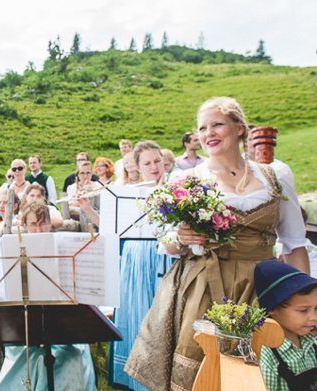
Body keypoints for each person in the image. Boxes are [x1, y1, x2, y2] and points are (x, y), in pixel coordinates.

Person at [125, 97, 310, 391]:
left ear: (239, 127)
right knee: (205, 369)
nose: (207, 133)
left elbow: (293, 244)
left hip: (262, 284)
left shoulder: (275, 175)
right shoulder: (189, 179)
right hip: (206, 286)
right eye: (202, 128)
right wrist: (182, 238)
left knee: (264, 369)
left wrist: (305, 300)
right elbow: (168, 243)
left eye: (217, 125)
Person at [0, 201, 97, 390]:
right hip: (26, 326)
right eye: (33, 224)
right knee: (23, 357)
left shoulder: (65, 249)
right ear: (25, 226)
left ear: (50, 224)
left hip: (62, 323)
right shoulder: (14, 252)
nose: (38, 230)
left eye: (43, 223)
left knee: (73, 356)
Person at [110, 141, 168, 391]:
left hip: (165, 255)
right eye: (148, 163)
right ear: (138, 166)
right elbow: (113, 229)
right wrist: (88, 207)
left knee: (162, 318)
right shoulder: (127, 193)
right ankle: (138, 379)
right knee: (138, 314)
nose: (154, 167)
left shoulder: (177, 188)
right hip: (136, 257)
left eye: (157, 161)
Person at [254, 260, 317, 391]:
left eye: (316, 309)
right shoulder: (268, 354)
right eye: (303, 310)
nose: (314, 317)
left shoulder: (310, 342)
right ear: (273, 308)